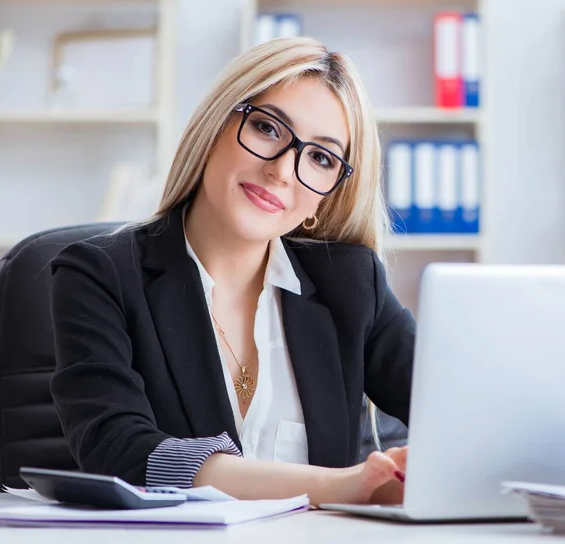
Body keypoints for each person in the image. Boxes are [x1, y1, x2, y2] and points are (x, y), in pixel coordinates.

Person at [49, 36, 415, 507]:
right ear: (216, 125)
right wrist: (336, 486)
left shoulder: (351, 284)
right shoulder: (98, 275)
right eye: (267, 128)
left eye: (321, 158)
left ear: (326, 196)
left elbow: (458, 408)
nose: (283, 170)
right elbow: (122, 452)